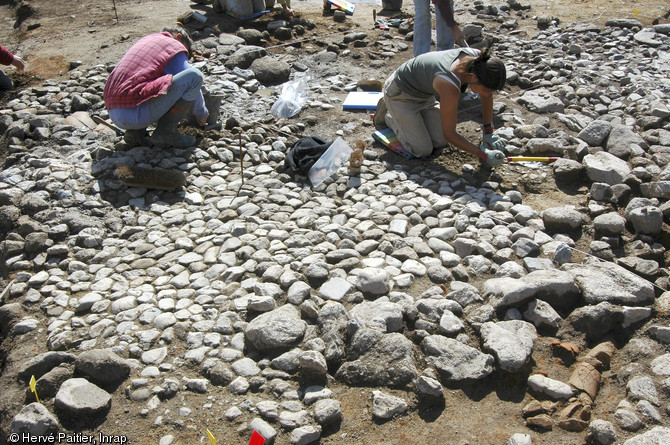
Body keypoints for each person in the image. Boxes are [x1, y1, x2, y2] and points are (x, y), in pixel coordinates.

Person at [374, 47, 507, 167]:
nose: (487, 94)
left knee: (440, 140)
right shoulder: (449, 84)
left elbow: (486, 96)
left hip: (425, 96)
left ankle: (405, 117)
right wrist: (482, 154)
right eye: (486, 89)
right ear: (474, 77)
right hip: (400, 94)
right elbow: (450, 134)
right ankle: (389, 114)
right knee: (421, 150)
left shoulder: (480, 62)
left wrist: (489, 131)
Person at [103, 26, 208, 148]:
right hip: (137, 113)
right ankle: (166, 132)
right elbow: (189, 76)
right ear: (179, 36)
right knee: (195, 76)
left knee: (153, 83)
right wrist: (201, 113)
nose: (184, 56)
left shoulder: (148, 40)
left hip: (115, 113)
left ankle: (135, 132)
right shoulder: (174, 45)